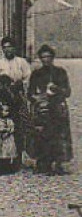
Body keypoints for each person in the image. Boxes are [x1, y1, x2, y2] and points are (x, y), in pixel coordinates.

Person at [28, 45, 73, 175]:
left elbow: (68, 92)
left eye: (48, 57)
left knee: (60, 135)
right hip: (43, 108)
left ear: (52, 57)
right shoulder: (36, 74)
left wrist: (57, 89)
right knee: (41, 134)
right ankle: (43, 162)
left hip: (57, 107)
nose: (46, 60)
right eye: (43, 57)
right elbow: (30, 93)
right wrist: (37, 98)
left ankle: (58, 163)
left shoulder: (60, 72)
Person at [0, 38, 30, 169]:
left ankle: (18, 157)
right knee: (3, 126)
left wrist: (20, 84)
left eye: (10, 47)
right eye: (5, 47)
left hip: (18, 95)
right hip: (3, 96)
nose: (8, 49)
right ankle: (3, 158)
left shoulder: (21, 62)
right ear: (2, 49)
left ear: (15, 48)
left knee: (18, 126)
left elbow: (27, 78)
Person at [0, 102, 18, 176]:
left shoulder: (9, 121)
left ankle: (7, 168)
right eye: (5, 111)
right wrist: (5, 129)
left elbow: (12, 128)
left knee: (7, 154)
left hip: (8, 139)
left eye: (8, 111)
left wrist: (10, 130)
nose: (7, 113)